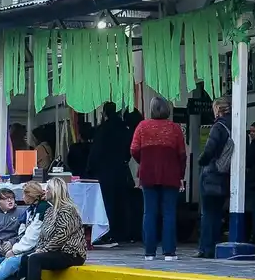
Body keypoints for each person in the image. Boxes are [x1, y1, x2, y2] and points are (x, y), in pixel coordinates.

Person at [130, 96, 187, 261]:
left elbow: (134, 149)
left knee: (149, 212)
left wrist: (145, 161)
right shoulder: (174, 128)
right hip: (171, 174)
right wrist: (181, 175)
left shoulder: (142, 126)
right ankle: (169, 252)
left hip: (148, 174)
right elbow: (182, 154)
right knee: (169, 213)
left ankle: (149, 252)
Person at [16, 178, 87, 280]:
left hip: (71, 253)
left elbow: (61, 236)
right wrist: (40, 247)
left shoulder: (68, 210)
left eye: (48, 189)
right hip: (54, 251)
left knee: (35, 258)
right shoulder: (49, 211)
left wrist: (43, 250)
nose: (45, 191)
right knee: (26, 257)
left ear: (54, 191)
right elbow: (43, 235)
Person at [88, 102, 134, 247]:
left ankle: (109, 232)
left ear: (105, 113)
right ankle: (123, 232)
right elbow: (130, 148)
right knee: (122, 201)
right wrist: (125, 159)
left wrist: (90, 169)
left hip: (105, 170)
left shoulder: (103, 129)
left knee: (107, 202)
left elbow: (96, 151)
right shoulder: (124, 129)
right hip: (120, 168)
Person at [196, 98, 233, 258]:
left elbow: (210, 149)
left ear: (218, 109)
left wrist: (201, 161)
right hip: (225, 174)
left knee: (207, 213)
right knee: (217, 214)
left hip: (212, 173)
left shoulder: (218, 127)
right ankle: (215, 245)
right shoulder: (235, 125)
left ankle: (206, 248)